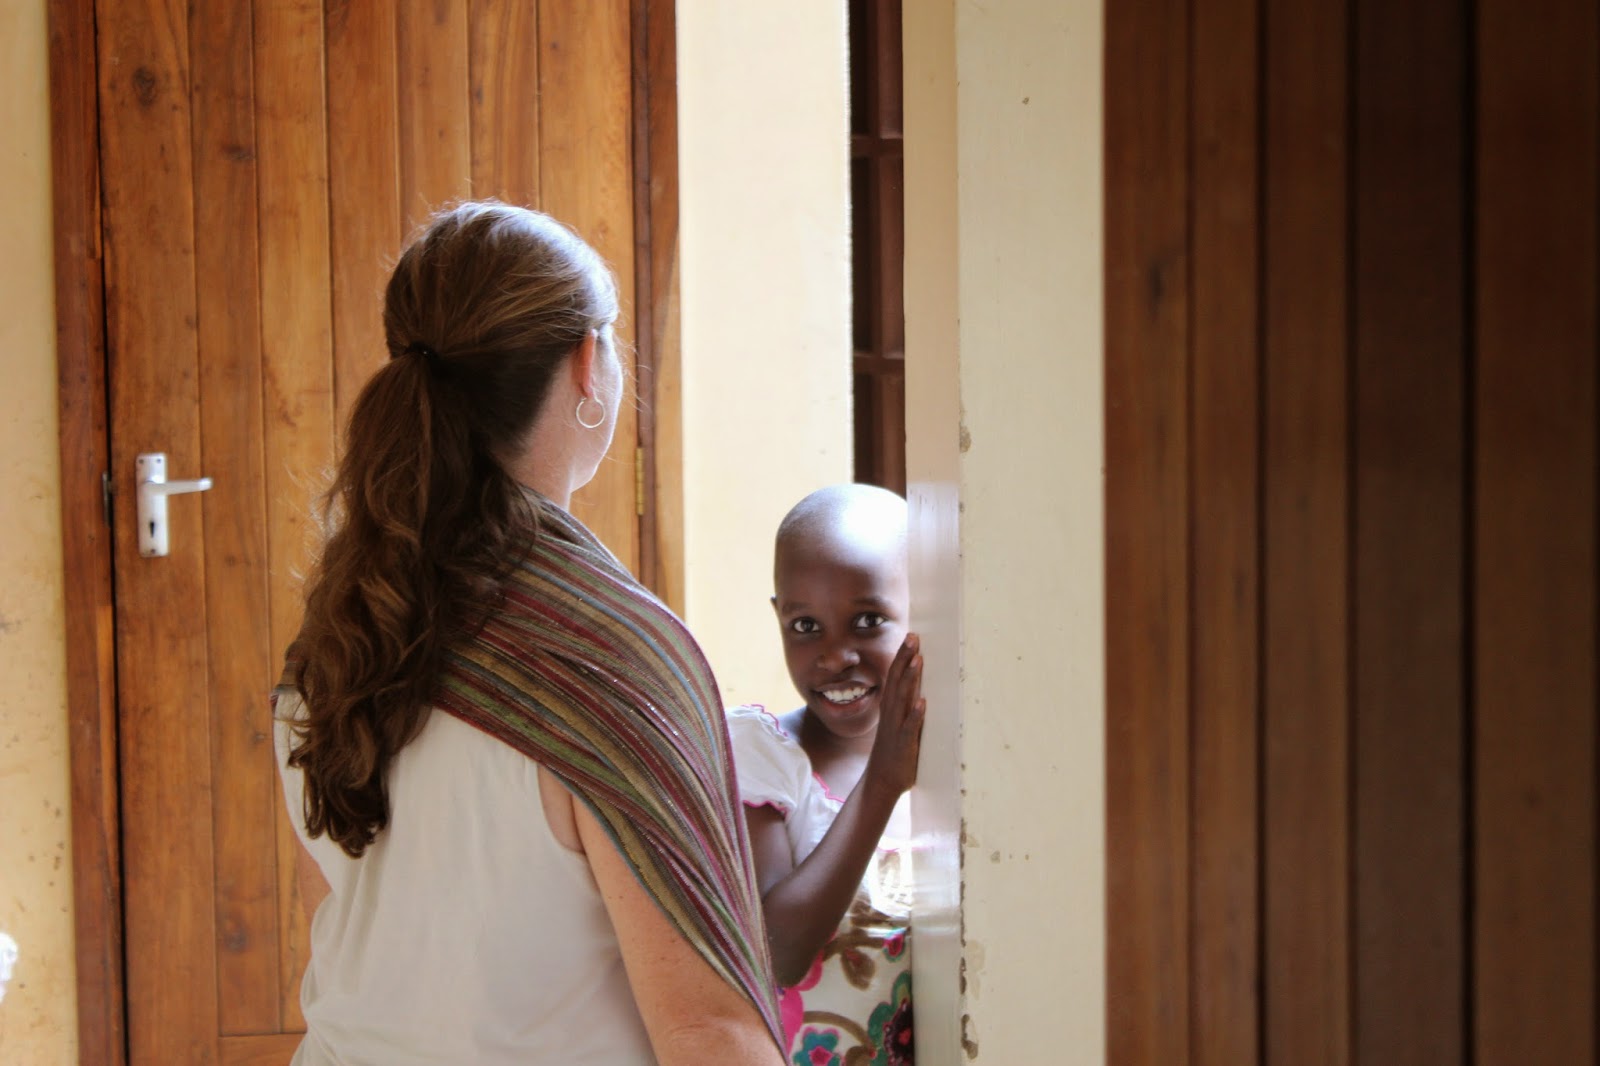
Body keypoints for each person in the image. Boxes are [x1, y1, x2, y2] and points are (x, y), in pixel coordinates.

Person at [271, 201, 784, 1065]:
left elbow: (365, 917)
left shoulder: (347, 625)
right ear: (588, 364)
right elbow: (709, 1030)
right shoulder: (612, 660)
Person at [728, 484, 924, 1065]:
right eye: (805, 626)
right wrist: (882, 783)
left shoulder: (962, 763)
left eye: (867, 620)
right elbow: (779, 953)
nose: (835, 656)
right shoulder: (763, 756)